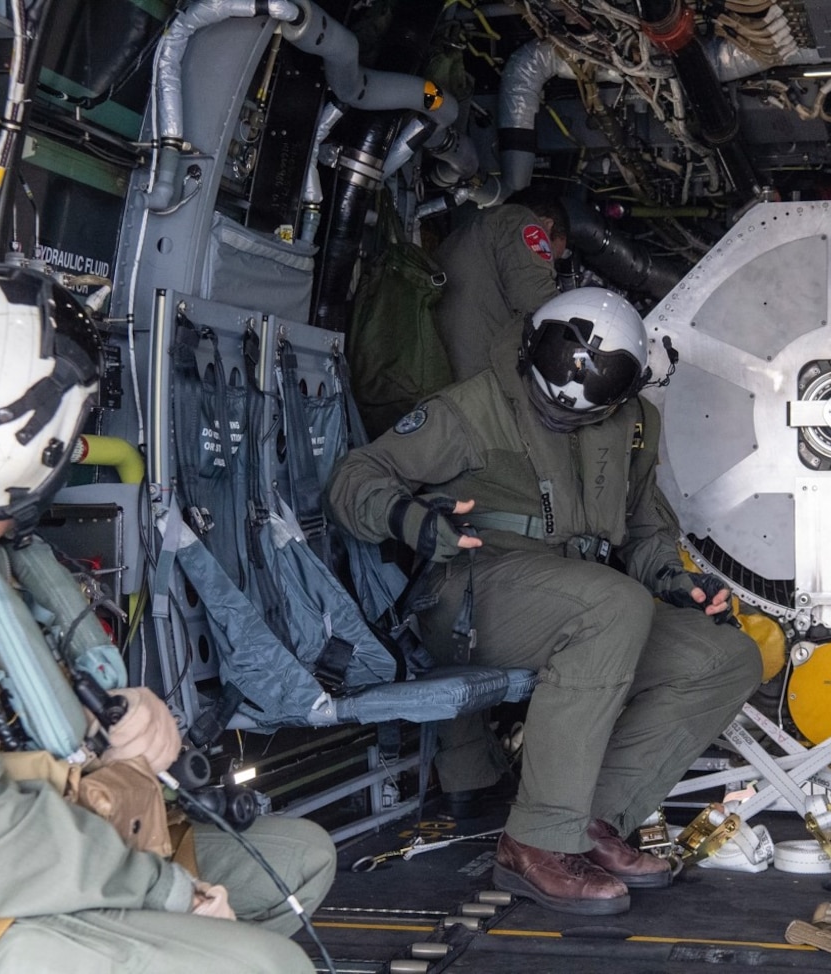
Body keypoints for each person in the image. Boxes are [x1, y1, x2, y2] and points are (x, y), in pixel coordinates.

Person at [0, 268, 334, 972]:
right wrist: (167, 893)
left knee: (297, 862)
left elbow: (9, 708)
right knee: (266, 966)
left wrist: (114, 719)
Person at [326, 287, 762, 915]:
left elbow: (644, 525)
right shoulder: (471, 409)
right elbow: (353, 479)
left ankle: (586, 821)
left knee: (724, 657)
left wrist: (673, 578)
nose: (563, 408)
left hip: (588, 600)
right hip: (475, 597)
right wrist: (409, 519)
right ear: (533, 347)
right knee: (613, 607)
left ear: (627, 388)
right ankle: (533, 843)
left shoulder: (637, 423)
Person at [433, 187, 569, 382]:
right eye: (551, 258)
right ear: (547, 225)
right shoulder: (522, 220)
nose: (548, 264)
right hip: (472, 385)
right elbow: (537, 301)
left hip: (447, 373)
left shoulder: (473, 230)